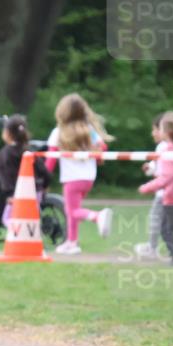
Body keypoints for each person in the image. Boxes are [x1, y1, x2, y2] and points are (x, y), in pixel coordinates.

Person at [44, 93, 113, 255]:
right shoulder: (89, 130)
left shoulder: (58, 132)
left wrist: (44, 179)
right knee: (73, 210)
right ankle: (72, 242)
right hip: (88, 178)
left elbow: (50, 160)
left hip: (72, 179)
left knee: (72, 211)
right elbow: (102, 148)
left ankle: (97, 216)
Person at [0, 114, 50, 227]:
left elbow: (6, 176)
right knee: (30, 220)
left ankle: (19, 237)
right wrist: (44, 186)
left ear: (7, 133)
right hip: (35, 191)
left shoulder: (5, 153)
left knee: (8, 219)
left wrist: (10, 194)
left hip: (17, 194)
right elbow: (43, 170)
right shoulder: (28, 151)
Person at [138, 111, 173, 266]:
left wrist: (147, 187)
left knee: (162, 225)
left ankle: (153, 248)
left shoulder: (165, 148)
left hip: (167, 194)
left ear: (166, 131)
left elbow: (165, 175)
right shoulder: (165, 148)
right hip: (167, 193)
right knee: (165, 226)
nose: (155, 132)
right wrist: (151, 168)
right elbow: (161, 169)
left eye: (158, 129)